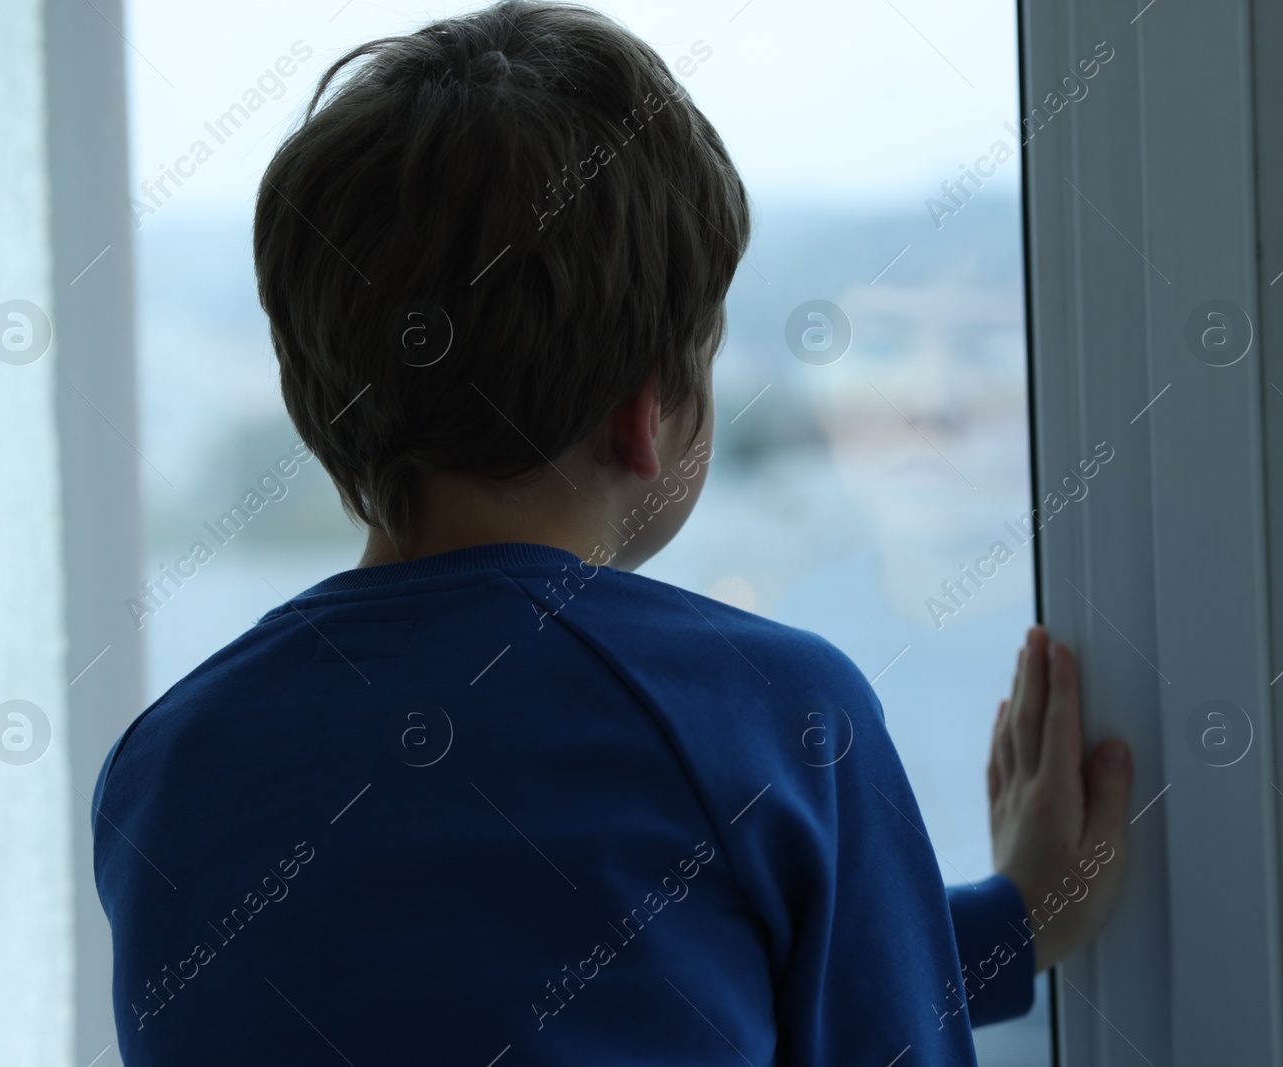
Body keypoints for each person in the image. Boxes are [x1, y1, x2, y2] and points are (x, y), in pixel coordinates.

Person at [91, 2, 1134, 1063]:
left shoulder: (170, 763)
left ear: (320, 402)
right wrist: (1025, 913)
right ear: (645, 413)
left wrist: (1006, 925)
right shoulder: (773, 717)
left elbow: (528, 986)